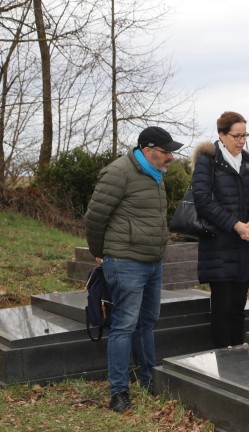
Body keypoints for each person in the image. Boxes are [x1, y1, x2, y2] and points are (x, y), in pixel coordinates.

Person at [84, 126, 184, 413]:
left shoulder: (156, 175)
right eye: (167, 152)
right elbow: (94, 218)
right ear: (148, 149)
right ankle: (118, 392)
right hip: (125, 261)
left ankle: (148, 380)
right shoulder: (118, 173)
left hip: (152, 262)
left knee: (147, 323)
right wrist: (100, 253)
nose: (171, 158)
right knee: (124, 326)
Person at [191, 111, 249, 348]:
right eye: (236, 136)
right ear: (222, 135)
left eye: (245, 135)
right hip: (218, 247)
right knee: (222, 309)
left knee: (239, 309)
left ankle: (239, 360)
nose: (241, 141)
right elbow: (202, 200)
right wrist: (235, 225)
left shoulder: (247, 162)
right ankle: (223, 360)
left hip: (243, 246)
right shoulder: (207, 161)